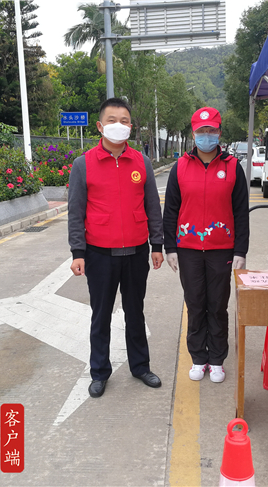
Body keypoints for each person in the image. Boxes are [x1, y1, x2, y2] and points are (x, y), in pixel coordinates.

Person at [68, 97, 164, 398]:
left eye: (124, 121)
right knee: (101, 316)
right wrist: (78, 253)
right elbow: (75, 212)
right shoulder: (83, 165)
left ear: (131, 126)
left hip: (136, 252)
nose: (118, 126)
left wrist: (157, 244)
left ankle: (140, 367)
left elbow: (152, 205)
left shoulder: (141, 162)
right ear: (100, 126)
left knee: (136, 313)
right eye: (112, 120)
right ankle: (99, 372)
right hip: (99, 254)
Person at [163, 107, 250, 383]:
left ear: (219, 132)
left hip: (221, 249)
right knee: (195, 303)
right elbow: (171, 210)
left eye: (211, 130)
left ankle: (217, 359)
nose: (207, 135)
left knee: (218, 305)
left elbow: (240, 211)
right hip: (188, 248)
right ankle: (199, 357)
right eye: (202, 131)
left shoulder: (232, 167)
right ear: (193, 134)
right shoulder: (180, 167)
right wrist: (170, 247)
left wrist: (240, 250)